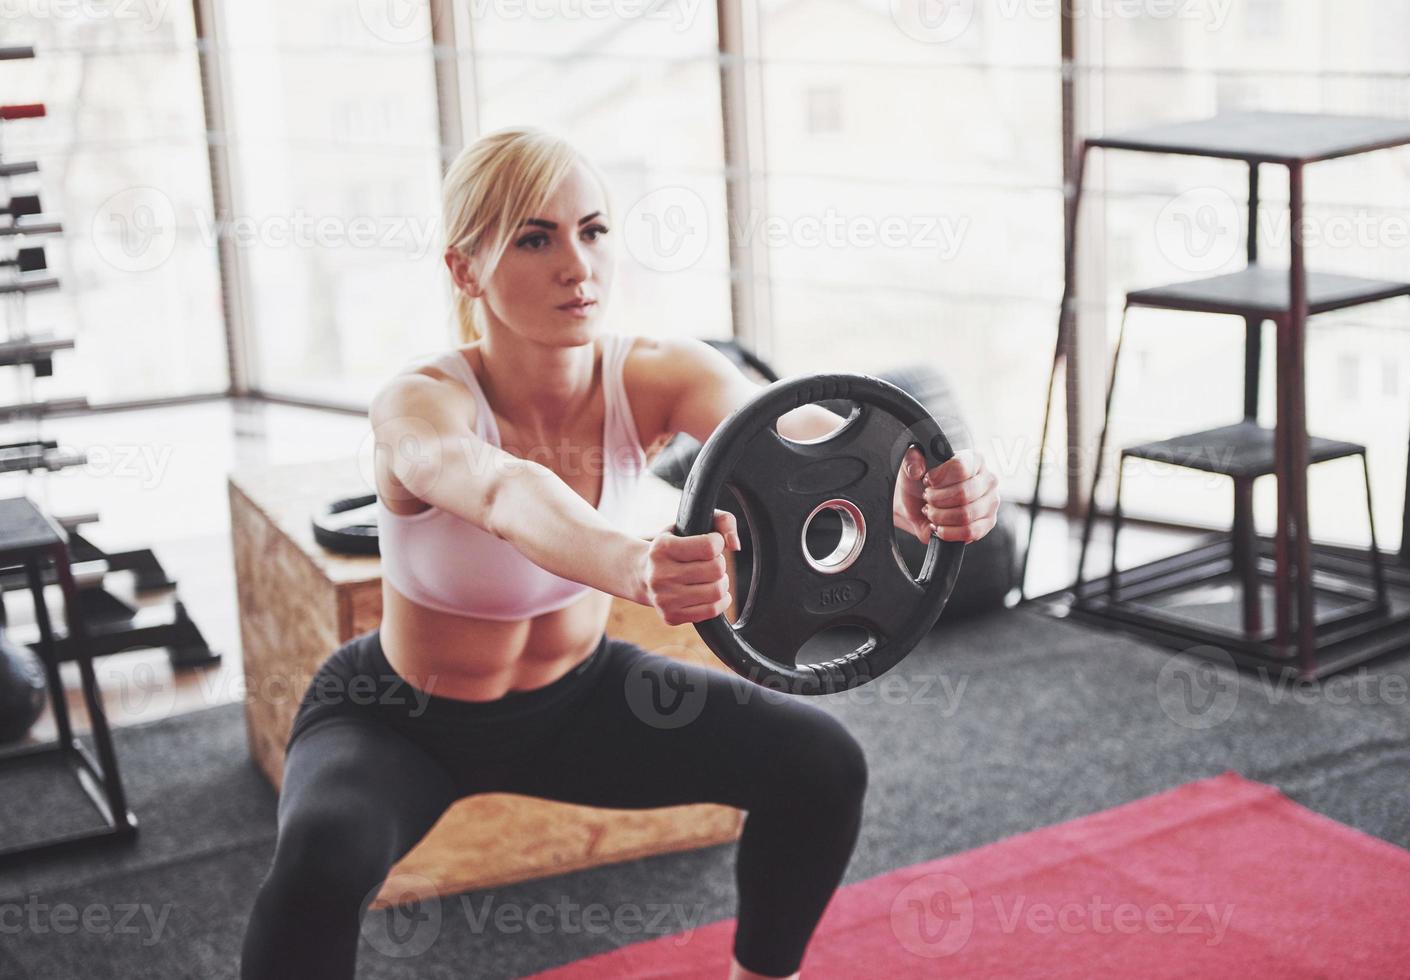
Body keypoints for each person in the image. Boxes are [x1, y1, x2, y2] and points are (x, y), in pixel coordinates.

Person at [241, 126, 1001, 980]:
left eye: (592, 229)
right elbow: (505, 494)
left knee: (821, 765)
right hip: (401, 715)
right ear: (465, 271)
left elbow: (804, 444)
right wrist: (637, 563)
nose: (578, 265)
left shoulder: (657, 372)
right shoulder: (418, 406)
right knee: (322, 857)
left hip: (580, 697)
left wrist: (903, 493)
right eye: (535, 238)